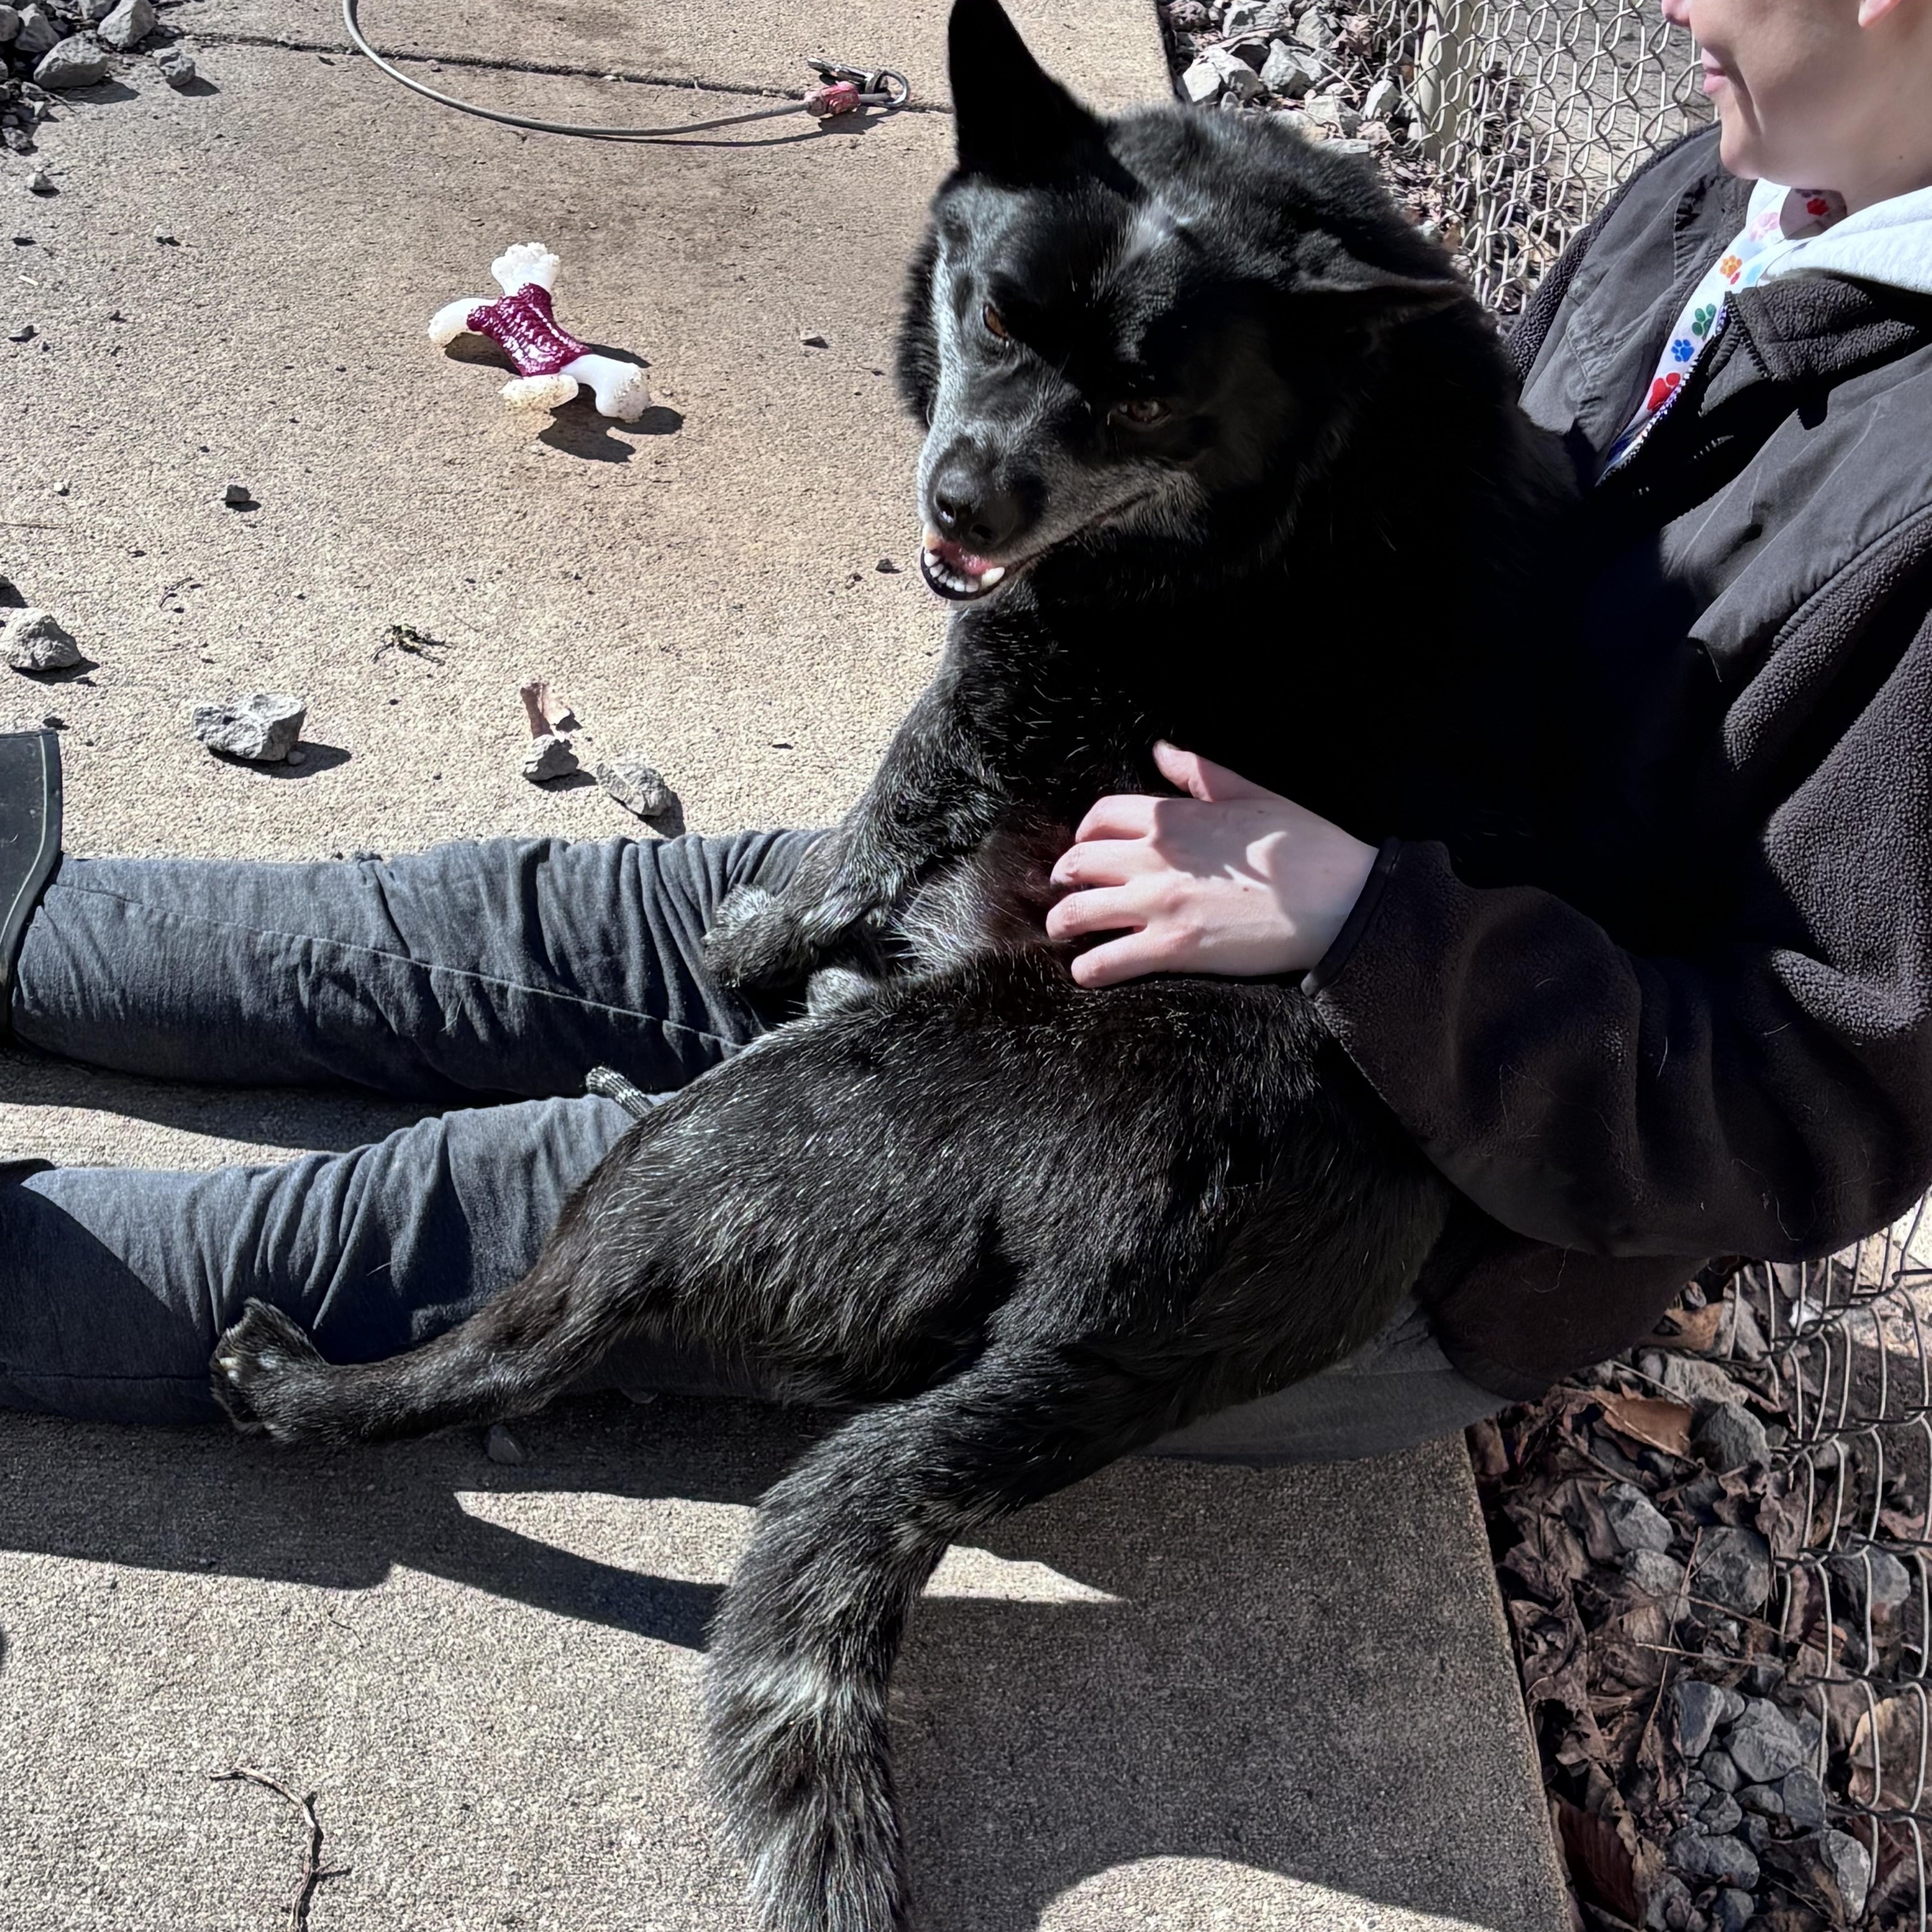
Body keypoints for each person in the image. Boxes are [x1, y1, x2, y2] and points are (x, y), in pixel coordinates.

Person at [3, 0, 1930, 1454]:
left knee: (529, 1199)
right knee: (525, 922)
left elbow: (1817, 1121)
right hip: (1181, 866)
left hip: (1339, 1183)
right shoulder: (1748, 174)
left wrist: (1372, 922)